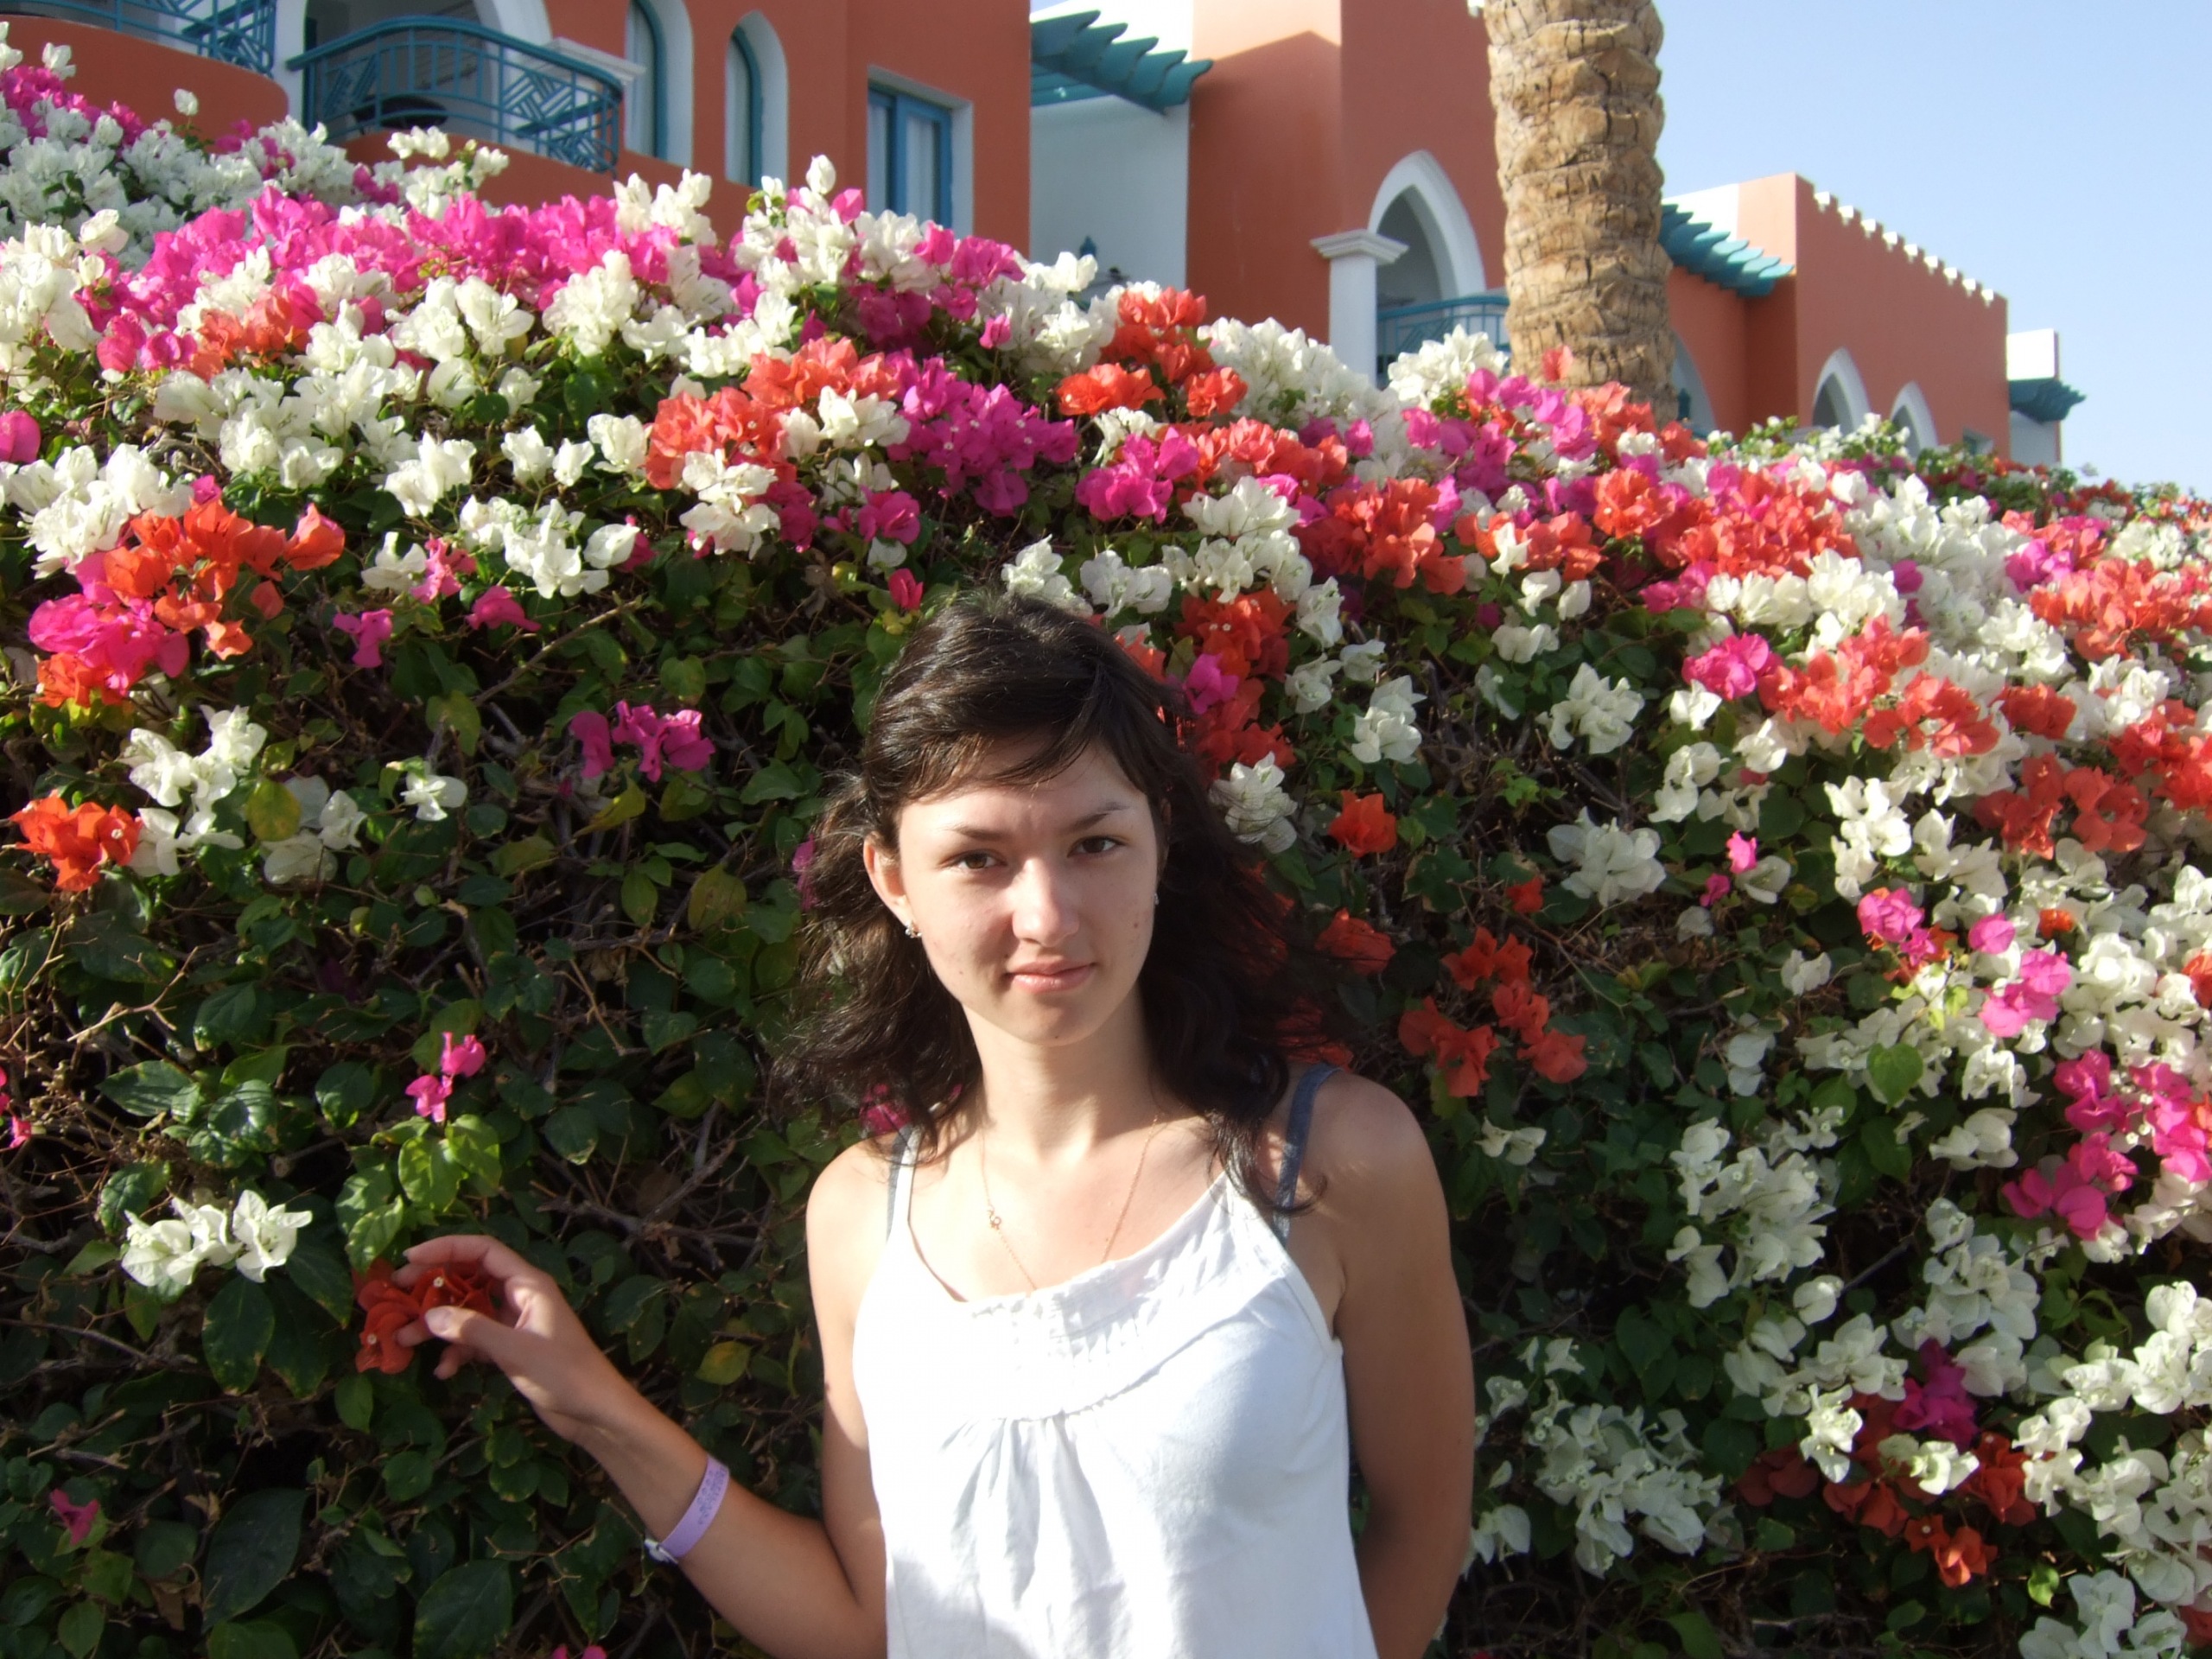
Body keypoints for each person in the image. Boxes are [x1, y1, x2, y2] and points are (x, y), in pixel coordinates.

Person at [397, 594, 1476, 1657]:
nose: (1046, 915)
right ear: (893, 880)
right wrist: (592, 1406)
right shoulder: (862, 1217)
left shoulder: (1330, 1166)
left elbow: (1423, 1530)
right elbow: (867, 1624)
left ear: (1161, 844)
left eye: (1095, 843)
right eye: (977, 858)